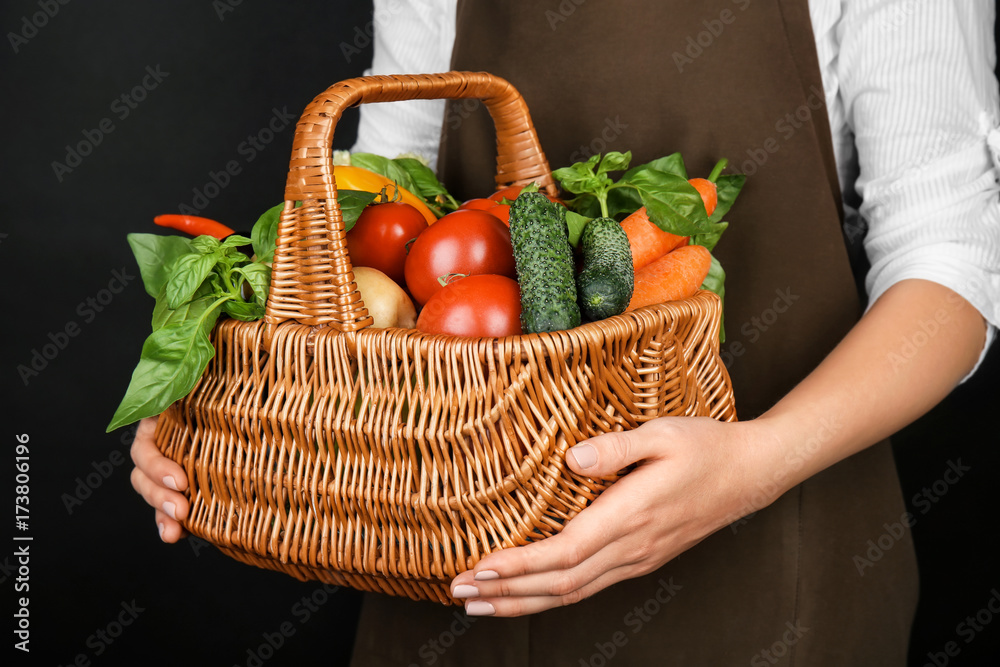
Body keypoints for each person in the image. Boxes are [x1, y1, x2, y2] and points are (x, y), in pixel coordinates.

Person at [130, 0, 1000, 664]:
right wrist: (230, 371)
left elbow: (952, 263)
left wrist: (756, 465)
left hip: (769, 572)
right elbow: (386, 183)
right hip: (447, 559)